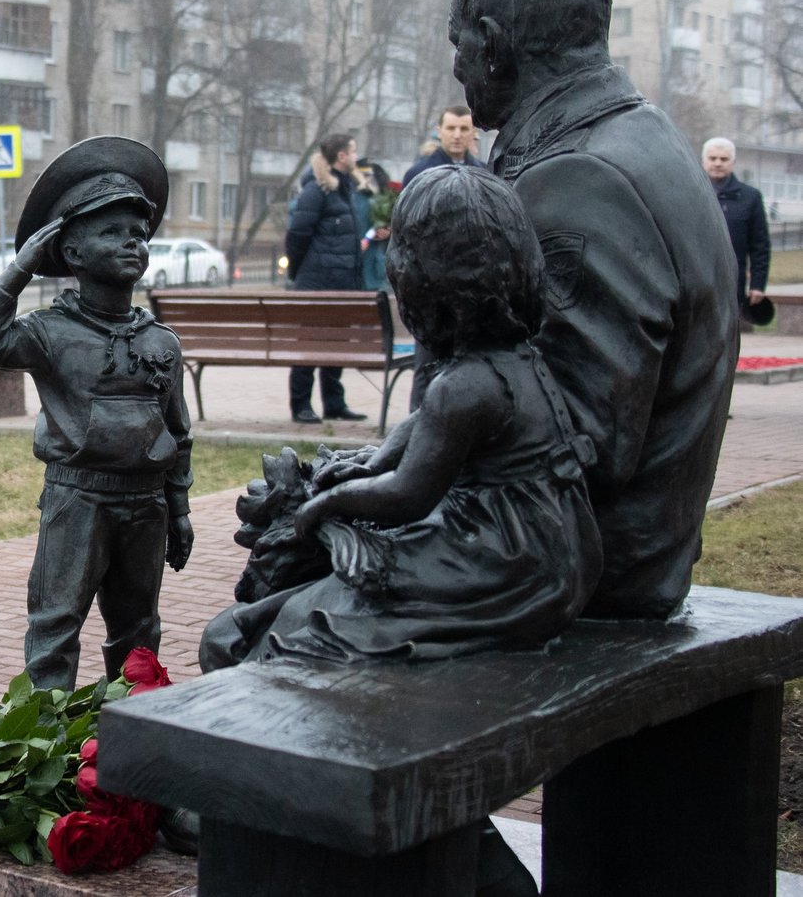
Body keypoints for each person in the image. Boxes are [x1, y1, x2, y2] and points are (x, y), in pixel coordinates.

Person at [202, 165, 580, 897]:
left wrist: (320, 509)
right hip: (549, 549)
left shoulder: (466, 387)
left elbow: (406, 494)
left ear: (426, 281)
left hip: (501, 560)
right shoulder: (512, 363)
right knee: (305, 610)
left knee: (302, 632)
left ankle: (289, 823)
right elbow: (400, 444)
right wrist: (353, 469)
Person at [453, 0, 737, 620]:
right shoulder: (644, 135)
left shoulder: (575, 182)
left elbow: (572, 447)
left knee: (255, 625)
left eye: (457, 41)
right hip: (611, 549)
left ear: (492, 42)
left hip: (587, 572)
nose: (457, 66)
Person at [0, 136, 194, 691]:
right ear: (71, 253)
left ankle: (131, 724)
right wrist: (20, 270)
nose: (131, 243)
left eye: (138, 234)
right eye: (111, 232)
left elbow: (178, 431)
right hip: (77, 497)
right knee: (56, 624)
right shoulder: (49, 332)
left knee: (139, 628)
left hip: (146, 502)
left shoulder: (160, 339)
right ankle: (48, 740)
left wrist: (180, 509)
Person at [283, 134, 368, 424]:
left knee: (336, 343)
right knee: (309, 344)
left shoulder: (344, 188)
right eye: (354, 151)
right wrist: (298, 271)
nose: (357, 156)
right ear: (342, 156)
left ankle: (334, 404)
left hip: (342, 282)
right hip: (317, 282)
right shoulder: (317, 189)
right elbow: (297, 233)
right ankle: (301, 405)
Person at [703, 137, 771, 325]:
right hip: (696, 278)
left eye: (724, 159)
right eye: (713, 158)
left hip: (733, 282)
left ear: (732, 163)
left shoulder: (751, 198)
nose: (717, 163)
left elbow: (760, 245)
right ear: (703, 161)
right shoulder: (687, 193)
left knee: (728, 333)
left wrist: (758, 284)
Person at [402, 105, 483, 188]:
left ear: (473, 133)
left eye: (464, 129)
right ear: (439, 132)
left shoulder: (484, 173)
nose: (457, 135)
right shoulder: (418, 173)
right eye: (451, 128)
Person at [352, 158, 393, 292]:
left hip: (376, 268)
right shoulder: (348, 195)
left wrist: (388, 232)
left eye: (369, 176)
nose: (367, 180)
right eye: (363, 175)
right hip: (352, 266)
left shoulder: (382, 198)